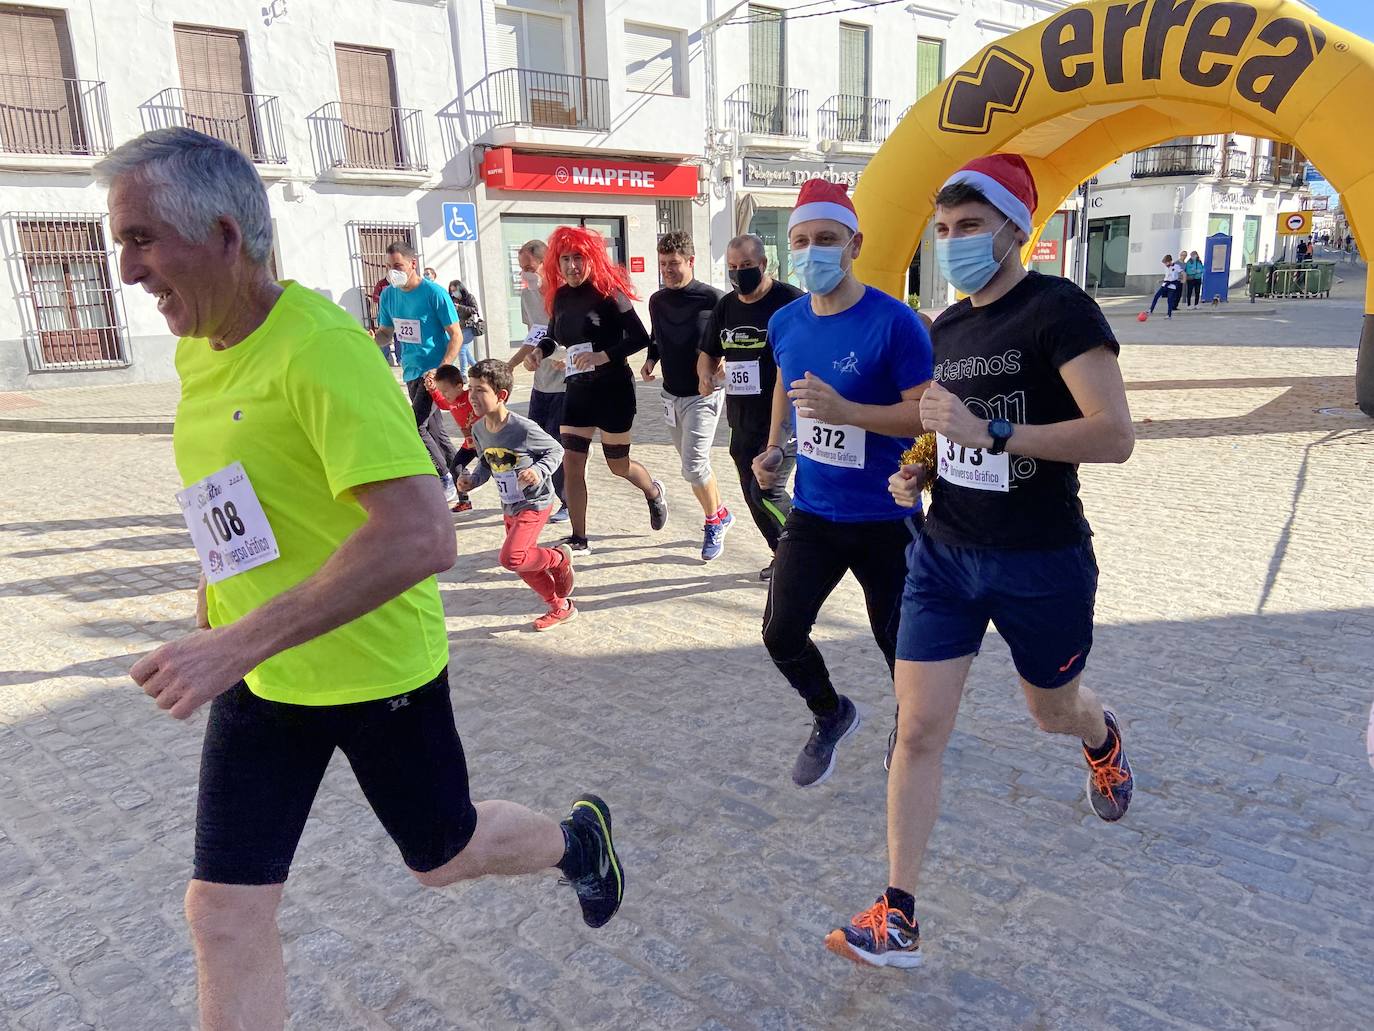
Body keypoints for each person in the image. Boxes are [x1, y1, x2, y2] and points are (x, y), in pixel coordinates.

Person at [97, 127, 624, 1030]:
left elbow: (423, 535)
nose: (128, 270)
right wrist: (214, 612)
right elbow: (232, 496)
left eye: (143, 239)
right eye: (121, 243)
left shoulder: (323, 352)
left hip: (374, 673)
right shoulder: (200, 343)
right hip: (262, 675)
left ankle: (577, 839)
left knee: (442, 855)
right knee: (222, 911)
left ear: (225, 236)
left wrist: (234, 640)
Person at [824, 153, 1134, 970]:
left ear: (1013, 230)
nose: (955, 240)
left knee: (1050, 710)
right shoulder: (948, 327)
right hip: (946, 554)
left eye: (971, 226)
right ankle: (898, 914)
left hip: (1040, 559)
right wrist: (922, 464)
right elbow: (947, 427)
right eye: (946, 227)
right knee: (918, 728)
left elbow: (1115, 435)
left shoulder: (1060, 310)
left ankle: (1099, 737)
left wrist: (993, 434)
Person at [753, 178, 932, 787]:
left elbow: (924, 413)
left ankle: (913, 732)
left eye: (826, 240)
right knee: (780, 633)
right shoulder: (784, 320)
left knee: (899, 647)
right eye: (801, 241)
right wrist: (776, 445)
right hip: (815, 512)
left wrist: (849, 413)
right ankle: (831, 713)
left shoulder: (896, 323)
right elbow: (786, 380)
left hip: (888, 515)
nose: (812, 252)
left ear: (855, 244)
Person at [538, 225, 668, 555]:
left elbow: (639, 337)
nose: (571, 266)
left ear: (592, 259)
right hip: (577, 390)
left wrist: (601, 356)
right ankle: (579, 537)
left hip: (613, 390)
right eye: (565, 259)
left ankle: (652, 491)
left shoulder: (610, 294)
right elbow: (553, 336)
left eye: (578, 258)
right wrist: (542, 354)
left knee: (617, 465)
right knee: (572, 463)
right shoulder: (561, 296)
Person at [699, 233, 804, 580]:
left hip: (786, 420)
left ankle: (806, 554)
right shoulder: (726, 306)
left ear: (763, 264)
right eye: (732, 267)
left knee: (768, 489)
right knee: (752, 494)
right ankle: (783, 554)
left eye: (745, 266)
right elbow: (709, 352)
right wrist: (706, 375)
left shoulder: (790, 301)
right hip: (741, 420)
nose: (738, 273)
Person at [455, 359, 577, 631]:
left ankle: (559, 558)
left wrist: (538, 470)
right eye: (470, 388)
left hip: (535, 503)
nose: (472, 396)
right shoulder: (478, 429)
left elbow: (555, 450)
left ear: (501, 396)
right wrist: (471, 481)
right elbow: (487, 463)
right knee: (522, 565)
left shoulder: (522, 428)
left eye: (480, 390)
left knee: (512, 558)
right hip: (509, 505)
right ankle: (560, 607)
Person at [645, 231, 731, 561]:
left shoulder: (714, 299)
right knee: (692, 465)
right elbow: (657, 337)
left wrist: (720, 365)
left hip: (703, 395)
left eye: (674, 263)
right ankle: (721, 512)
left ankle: (713, 522)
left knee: (693, 467)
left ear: (691, 261)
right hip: (670, 395)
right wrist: (651, 360)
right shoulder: (657, 300)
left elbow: (728, 340)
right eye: (663, 263)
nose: (667, 269)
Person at [374, 242, 463, 502]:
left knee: (415, 427)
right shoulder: (389, 295)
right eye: (389, 267)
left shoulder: (434, 293)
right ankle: (462, 481)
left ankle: (444, 478)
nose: (393, 272)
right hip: (410, 371)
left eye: (398, 266)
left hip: (432, 372)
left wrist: (440, 369)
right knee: (435, 432)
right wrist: (371, 339)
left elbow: (456, 335)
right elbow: (386, 333)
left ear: (413, 263)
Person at [508, 239, 569, 522]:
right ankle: (538, 496)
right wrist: (510, 366)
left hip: (566, 384)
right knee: (532, 442)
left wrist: (568, 356)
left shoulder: (564, 295)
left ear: (547, 264)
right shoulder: (527, 297)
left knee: (555, 443)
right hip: (541, 384)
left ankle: (566, 500)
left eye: (529, 267)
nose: (526, 274)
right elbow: (533, 337)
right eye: (522, 269)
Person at [429, 364, 480, 513]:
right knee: (455, 468)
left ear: (459, 387)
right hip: (469, 445)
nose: (444, 395)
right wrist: (433, 391)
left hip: (485, 443)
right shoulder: (451, 401)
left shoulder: (470, 396)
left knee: (497, 471)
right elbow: (443, 404)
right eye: (441, 391)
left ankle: (518, 497)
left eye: (445, 391)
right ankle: (464, 501)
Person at [447, 277, 480, 374]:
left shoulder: (469, 297)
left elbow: (474, 309)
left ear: (460, 289)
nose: (454, 293)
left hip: (468, 328)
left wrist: (460, 307)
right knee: (466, 352)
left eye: (455, 290)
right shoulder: (452, 299)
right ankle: (477, 368)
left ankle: (463, 374)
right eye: (452, 291)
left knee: (461, 350)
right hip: (458, 328)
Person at [1147, 254, 1183, 318]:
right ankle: (1151, 310)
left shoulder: (1176, 266)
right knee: (1156, 296)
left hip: (1172, 286)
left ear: (1170, 261)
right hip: (1165, 285)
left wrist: (1184, 280)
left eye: (1166, 262)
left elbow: (1183, 273)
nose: (1165, 264)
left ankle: (1169, 315)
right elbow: (1166, 277)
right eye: (1165, 263)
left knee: (1170, 300)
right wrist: (1161, 280)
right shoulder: (1166, 268)